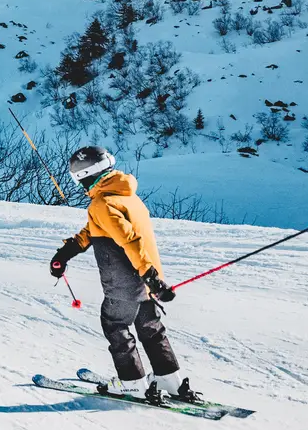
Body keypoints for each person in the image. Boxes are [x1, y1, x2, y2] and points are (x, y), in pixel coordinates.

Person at [48, 146, 203, 406]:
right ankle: (169, 379)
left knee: (115, 325)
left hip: (124, 282)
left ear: (84, 175)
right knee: (151, 329)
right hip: (144, 282)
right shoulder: (125, 196)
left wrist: (149, 276)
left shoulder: (102, 203)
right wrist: (66, 253)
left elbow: (128, 240)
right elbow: (97, 229)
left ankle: (132, 383)